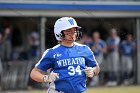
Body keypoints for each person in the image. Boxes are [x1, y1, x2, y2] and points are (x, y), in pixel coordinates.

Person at [30, 17, 100, 93]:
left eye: (74, 30)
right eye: (69, 31)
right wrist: (46, 78)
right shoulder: (52, 52)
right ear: (59, 33)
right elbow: (34, 73)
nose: (73, 34)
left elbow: (96, 68)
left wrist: (93, 71)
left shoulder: (85, 49)